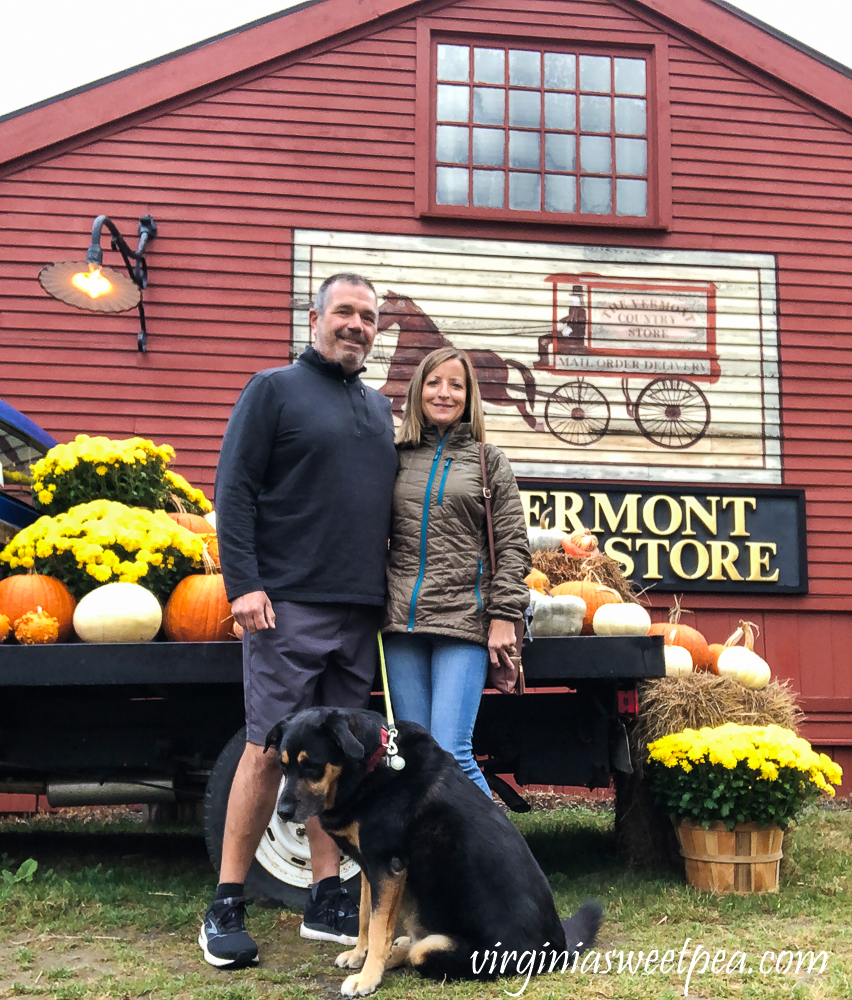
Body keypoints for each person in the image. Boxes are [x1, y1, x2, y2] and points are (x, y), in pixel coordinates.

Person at [199, 273, 397, 969]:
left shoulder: (379, 410)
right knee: (265, 748)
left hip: (358, 612)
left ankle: (325, 897)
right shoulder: (272, 389)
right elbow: (234, 489)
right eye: (344, 311)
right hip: (286, 607)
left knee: (337, 758)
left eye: (369, 317)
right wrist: (244, 585)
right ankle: (226, 902)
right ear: (314, 317)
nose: (356, 325)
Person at [382, 346, 531, 797]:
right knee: (413, 755)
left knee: (451, 752)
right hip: (402, 623)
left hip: (464, 621)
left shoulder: (489, 461)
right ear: (417, 391)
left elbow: (512, 546)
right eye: (433, 382)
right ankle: (433, 864)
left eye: (455, 385)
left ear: (469, 396)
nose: (443, 393)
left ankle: (498, 863)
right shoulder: (394, 457)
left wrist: (504, 615)